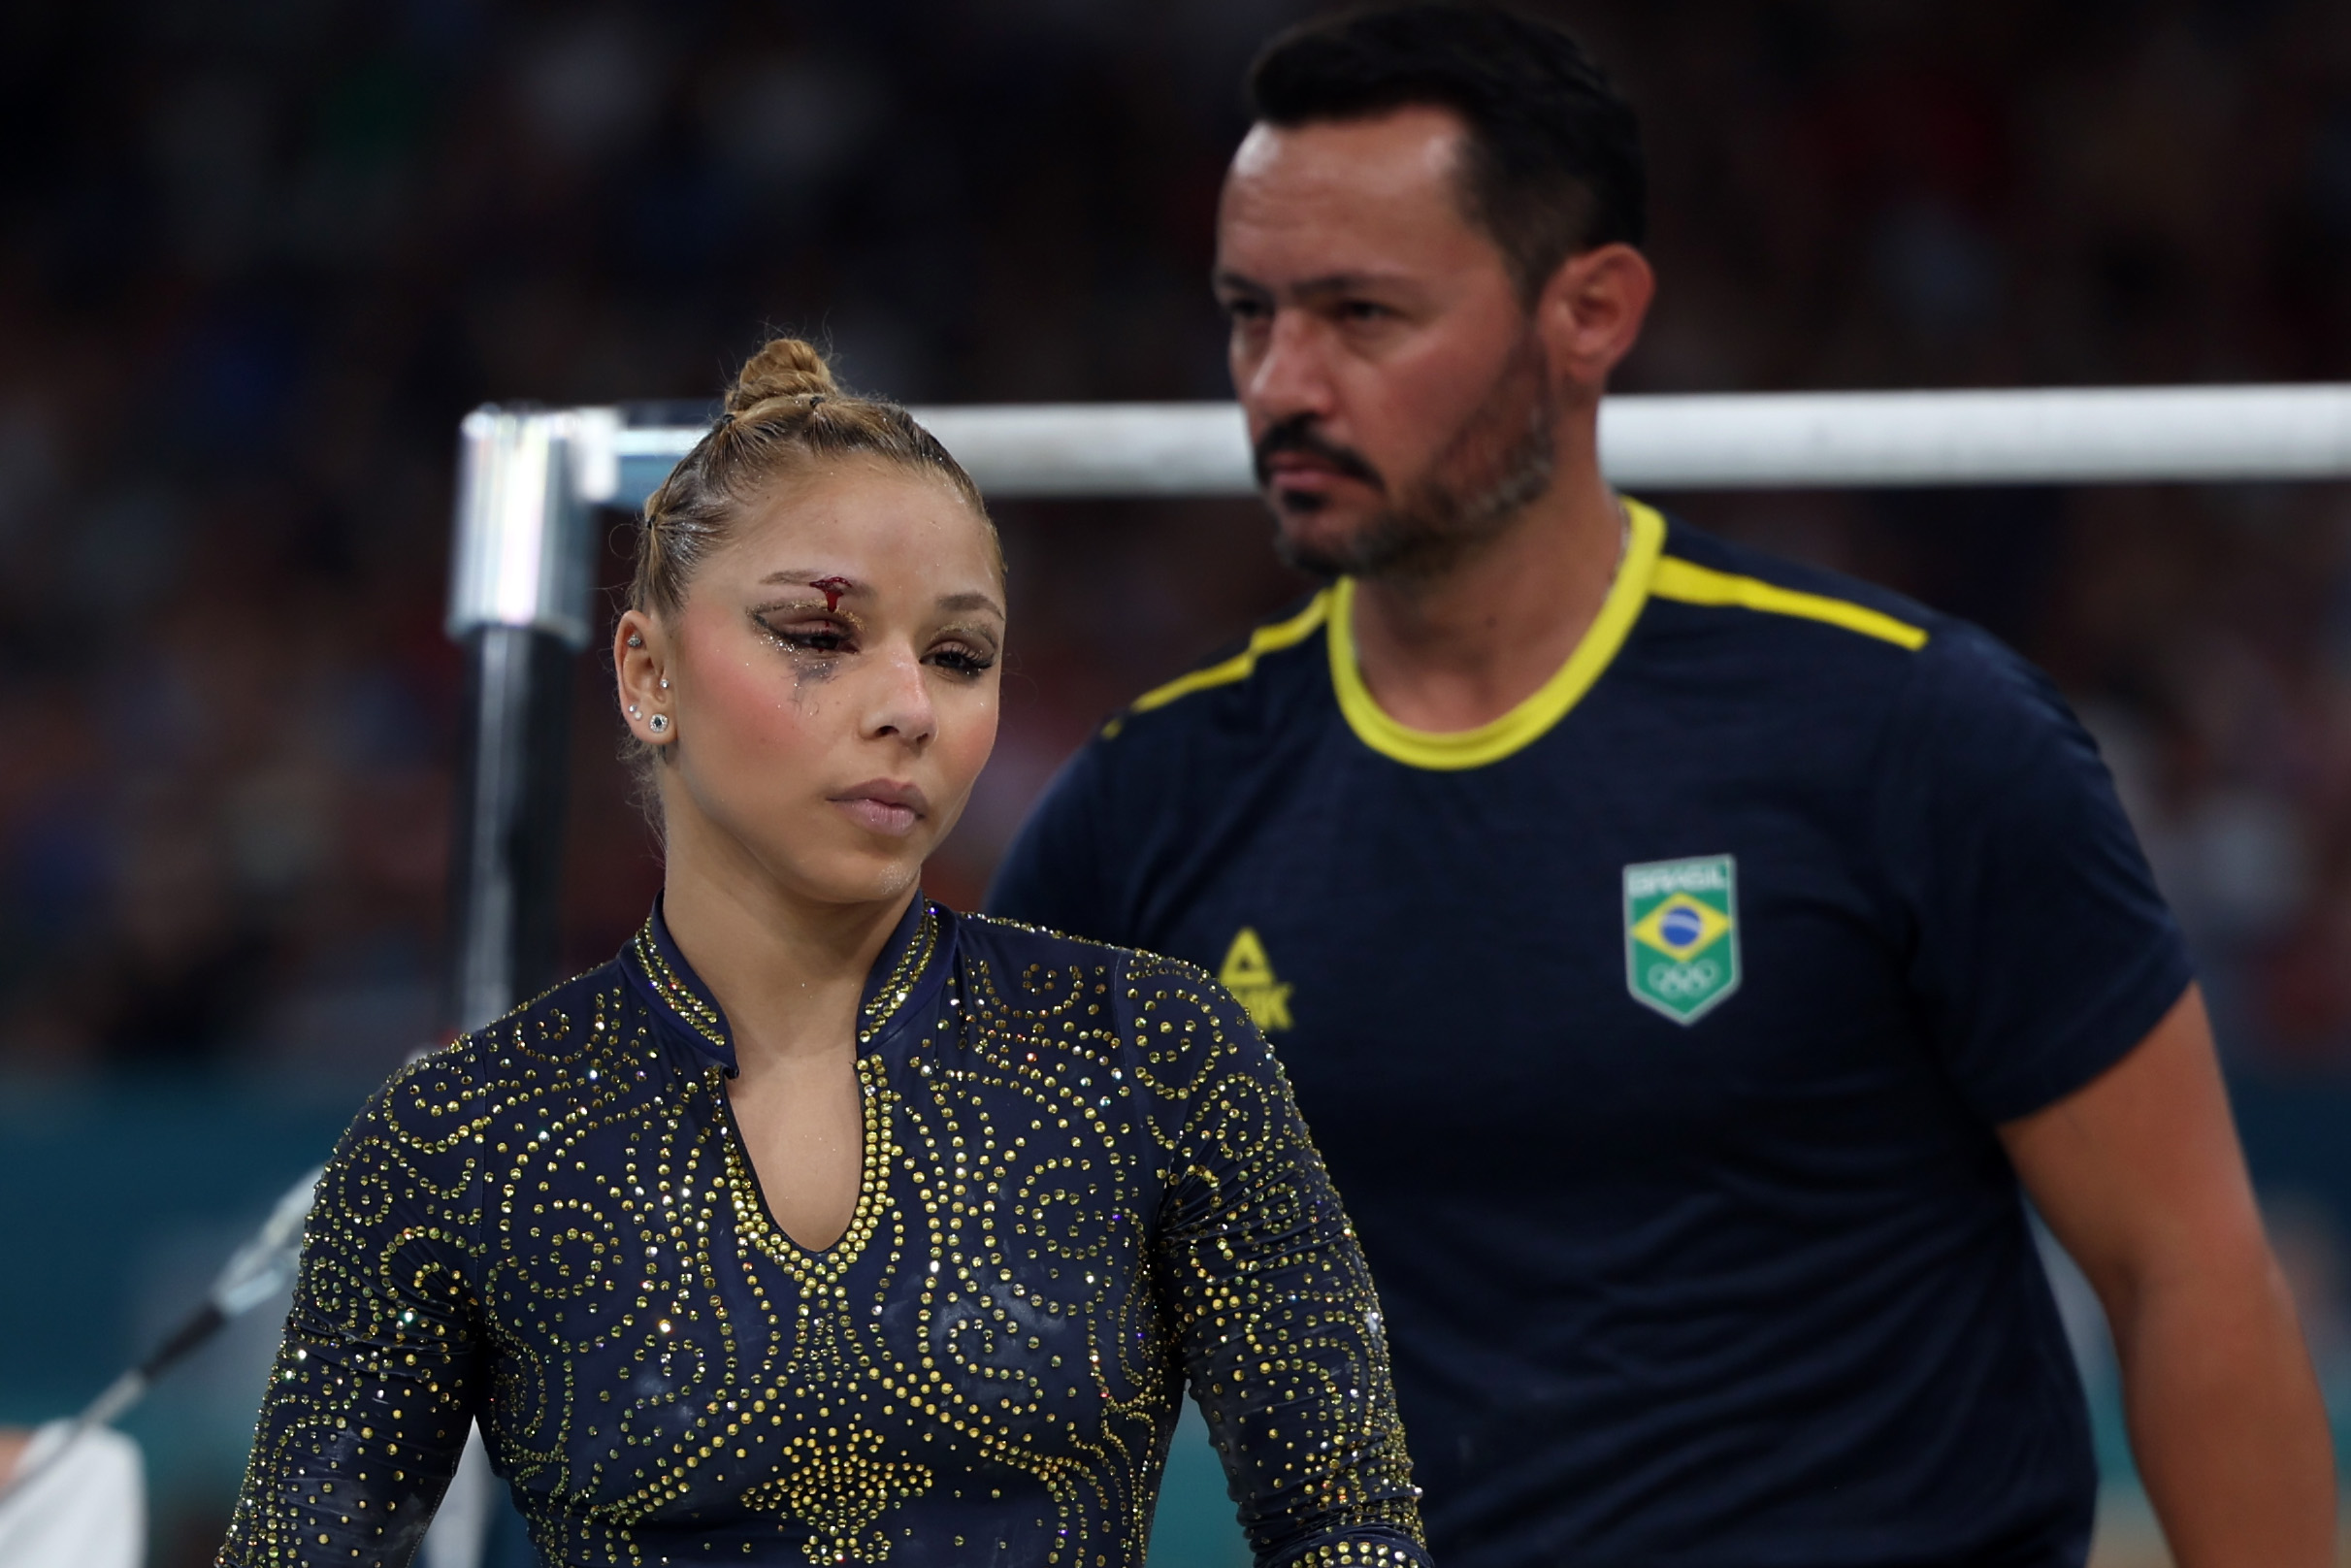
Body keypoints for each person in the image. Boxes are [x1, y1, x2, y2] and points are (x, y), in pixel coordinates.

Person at [988, 6, 2337, 1566]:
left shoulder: (1908, 737)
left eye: (1361, 315)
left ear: (1591, 312)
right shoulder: (1143, 812)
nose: (1281, 382)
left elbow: (2185, 1276)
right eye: (1247, 314)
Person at [217, 341, 1430, 1568]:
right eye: (818, 634)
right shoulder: (463, 1132)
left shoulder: (1150, 1053)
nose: (907, 703)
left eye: (958, 656)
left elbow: (1348, 1524)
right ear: (647, 671)